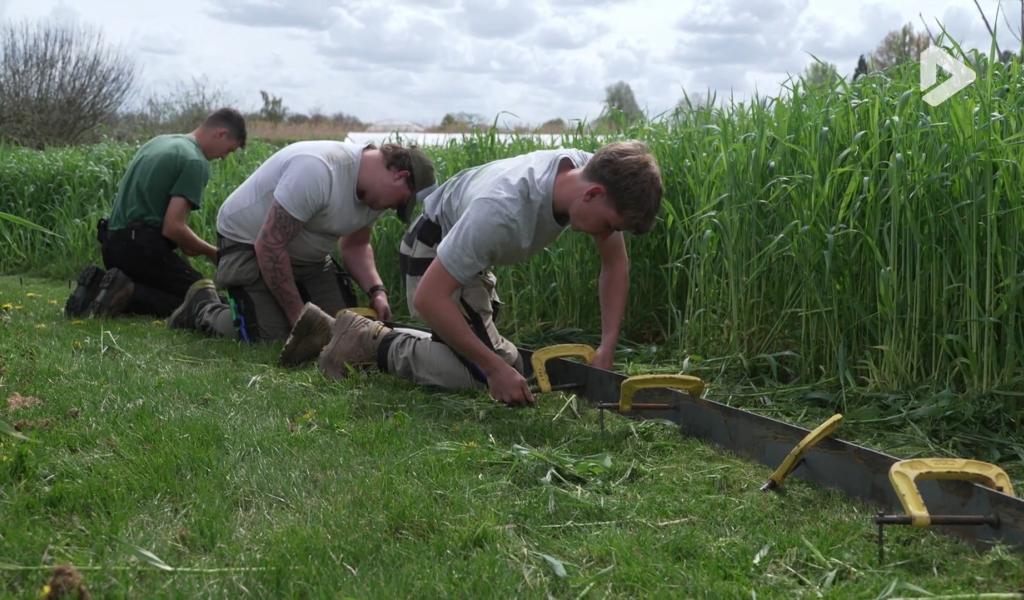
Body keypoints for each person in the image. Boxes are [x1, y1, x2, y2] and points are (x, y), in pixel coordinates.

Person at [288, 140, 663, 406]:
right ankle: (363, 339)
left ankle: (352, 330)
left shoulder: (588, 170)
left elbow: (615, 264)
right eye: (612, 225)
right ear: (593, 194)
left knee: (498, 361)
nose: (608, 235)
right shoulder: (503, 209)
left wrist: (607, 345)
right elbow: (429, 297)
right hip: (430, 252)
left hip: (466, 257)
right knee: (480, 373)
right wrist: (493, 369)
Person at [165, 140, 435, 362]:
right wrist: (300, 319)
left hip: (309, 258)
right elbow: (270, 244)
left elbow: (355, 245)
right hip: (248, 244)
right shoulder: (319, 169)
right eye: (400, 203)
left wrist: (377, 291)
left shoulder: (373, 197)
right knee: (274, 335)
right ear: (400, 176)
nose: (393, 210)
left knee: (340, 329)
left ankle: (279, 309)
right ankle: (203, 306)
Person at [63, 108, 247, 318]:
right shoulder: (195, 161)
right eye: (229, 150)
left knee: (169, 288)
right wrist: (211, 252)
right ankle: (127, 294)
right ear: (221, 134)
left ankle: (99, 287)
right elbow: (173, 227)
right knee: (201, 298)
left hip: (112, 245)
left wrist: (185, 244)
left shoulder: (160, 142)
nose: (224, 157)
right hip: (141, 249)